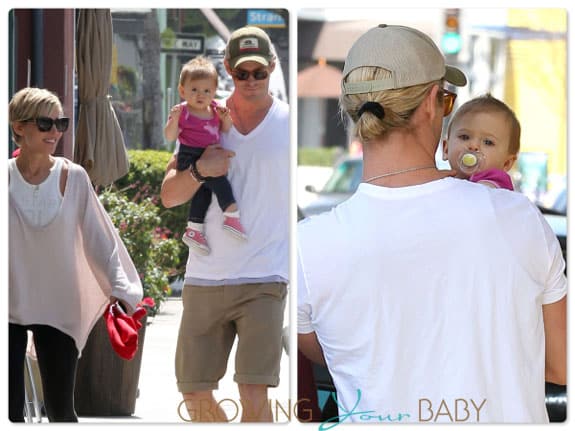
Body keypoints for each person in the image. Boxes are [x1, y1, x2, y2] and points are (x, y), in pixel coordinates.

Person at [298, 24, 566, 423]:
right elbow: (560, 366)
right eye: (447, 100)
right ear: (429, 104)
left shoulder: (307, 246)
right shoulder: (518, 217)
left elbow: (338, 356)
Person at [161, 25, 289, 422]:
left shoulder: (289, 123)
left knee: (253, 394)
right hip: (204, 277)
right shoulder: (202, 120)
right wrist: (199, 169)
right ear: (228, 69)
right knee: (193, 394)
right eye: (241, 72)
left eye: (259, 72)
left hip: (264, 277)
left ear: (271, 68)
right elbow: (169, 195)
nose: (250, 80)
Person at [8, 87, 143, 422]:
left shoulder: (74, 177)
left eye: (61, 123)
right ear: (19, 127)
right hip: (8, 304)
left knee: (60, 411)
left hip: (59, 303)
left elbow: (100, 240)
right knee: (7, 413)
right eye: (45, 123)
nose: (55, 132)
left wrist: (123, 290)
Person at [164, 56, 246, 255]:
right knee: (220, 183)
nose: (200, 95)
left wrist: (226, 119)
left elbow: (225, 130)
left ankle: (194, 228)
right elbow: (170, 136)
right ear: (182, 90)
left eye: (206, 91)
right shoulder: (183, 112)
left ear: (214, 91)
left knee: (203, 193)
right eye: (194, 90)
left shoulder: (215, 109)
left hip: (207, 153)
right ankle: (231, 213)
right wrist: (173, 121)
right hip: (190, 155)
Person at [442, 94, 520, 190]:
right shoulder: (442, 182)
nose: (473, 146)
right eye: (465, 137)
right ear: (446, 149)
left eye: (488, 142)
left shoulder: (493, 185)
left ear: (506, 163)